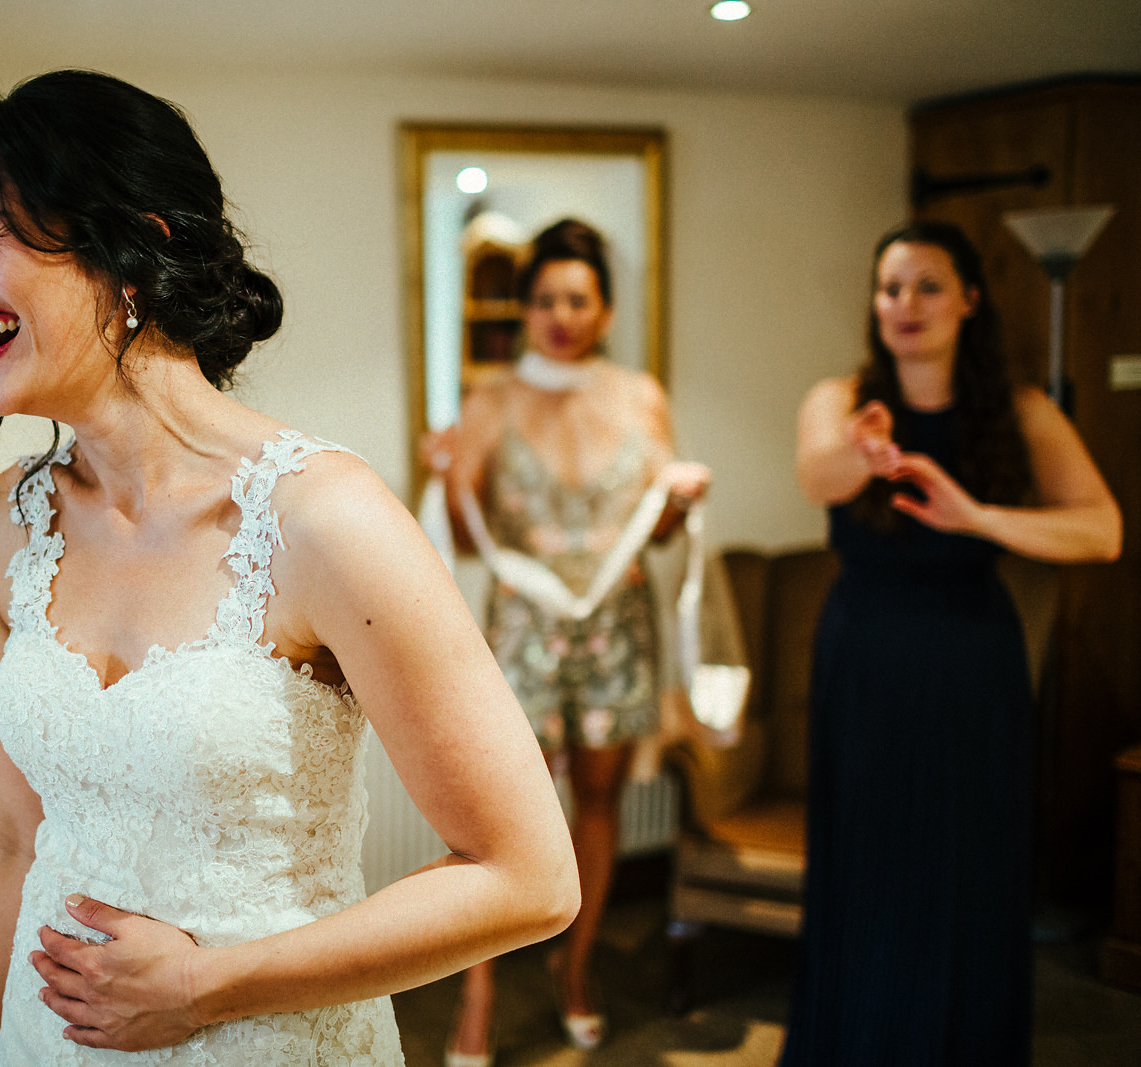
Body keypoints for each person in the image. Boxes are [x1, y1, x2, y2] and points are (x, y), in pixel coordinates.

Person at [0, 70, 579, 1066]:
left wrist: (199, 986)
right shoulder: (2, 526)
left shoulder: (321, 518)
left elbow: (529, 876)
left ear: (133, 252)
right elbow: (12, 838)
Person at [782, 220, 1121, 1065]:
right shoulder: (841, 397)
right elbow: (815, 477)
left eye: (928, 285)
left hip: (974, 663)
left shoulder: (1021, 409)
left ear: (970, 299)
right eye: (891, 286)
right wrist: (865, 454)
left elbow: (1103, 530)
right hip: (863, 657)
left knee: (966, 867)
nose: (905, 304)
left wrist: (975, 515)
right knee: (868, 861)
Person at [423, 218, 710, 1063]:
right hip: (524, 630)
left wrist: (682, 503)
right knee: (493, 817)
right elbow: (468, 542)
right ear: (525, 309)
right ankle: (476, 996)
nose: (561, 313)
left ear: (605, 307)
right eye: (545, 298)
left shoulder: (640, 395)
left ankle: (574, 968)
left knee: (597, 804)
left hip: (619, 628)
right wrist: (447, 478)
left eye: (578, 298)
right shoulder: (490, 401)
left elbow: (655, 534)